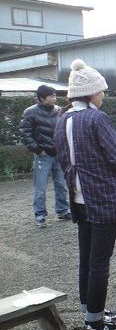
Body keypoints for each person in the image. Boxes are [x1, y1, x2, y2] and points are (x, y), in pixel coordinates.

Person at [53, 59, 116, 330]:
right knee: (100, 261)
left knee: (87, 257)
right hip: (102, 199)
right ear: (92, 93)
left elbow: (62, 157)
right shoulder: (96, 118)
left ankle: (90, 309)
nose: (104, 95)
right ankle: (95, 322)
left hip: (78, 199)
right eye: (102, 91)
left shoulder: (63, 119)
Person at [19, 84, 71, 228]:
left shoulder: (58, 110)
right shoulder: (30, 112)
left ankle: (63, 210)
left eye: (55, 95)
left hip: (58, 154)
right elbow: (25, 133)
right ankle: (40, 215)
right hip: (43, 155)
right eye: (51, 96)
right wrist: (37, 150)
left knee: (61, 184)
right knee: (40, 187)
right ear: (42, 98)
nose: (54, 98)